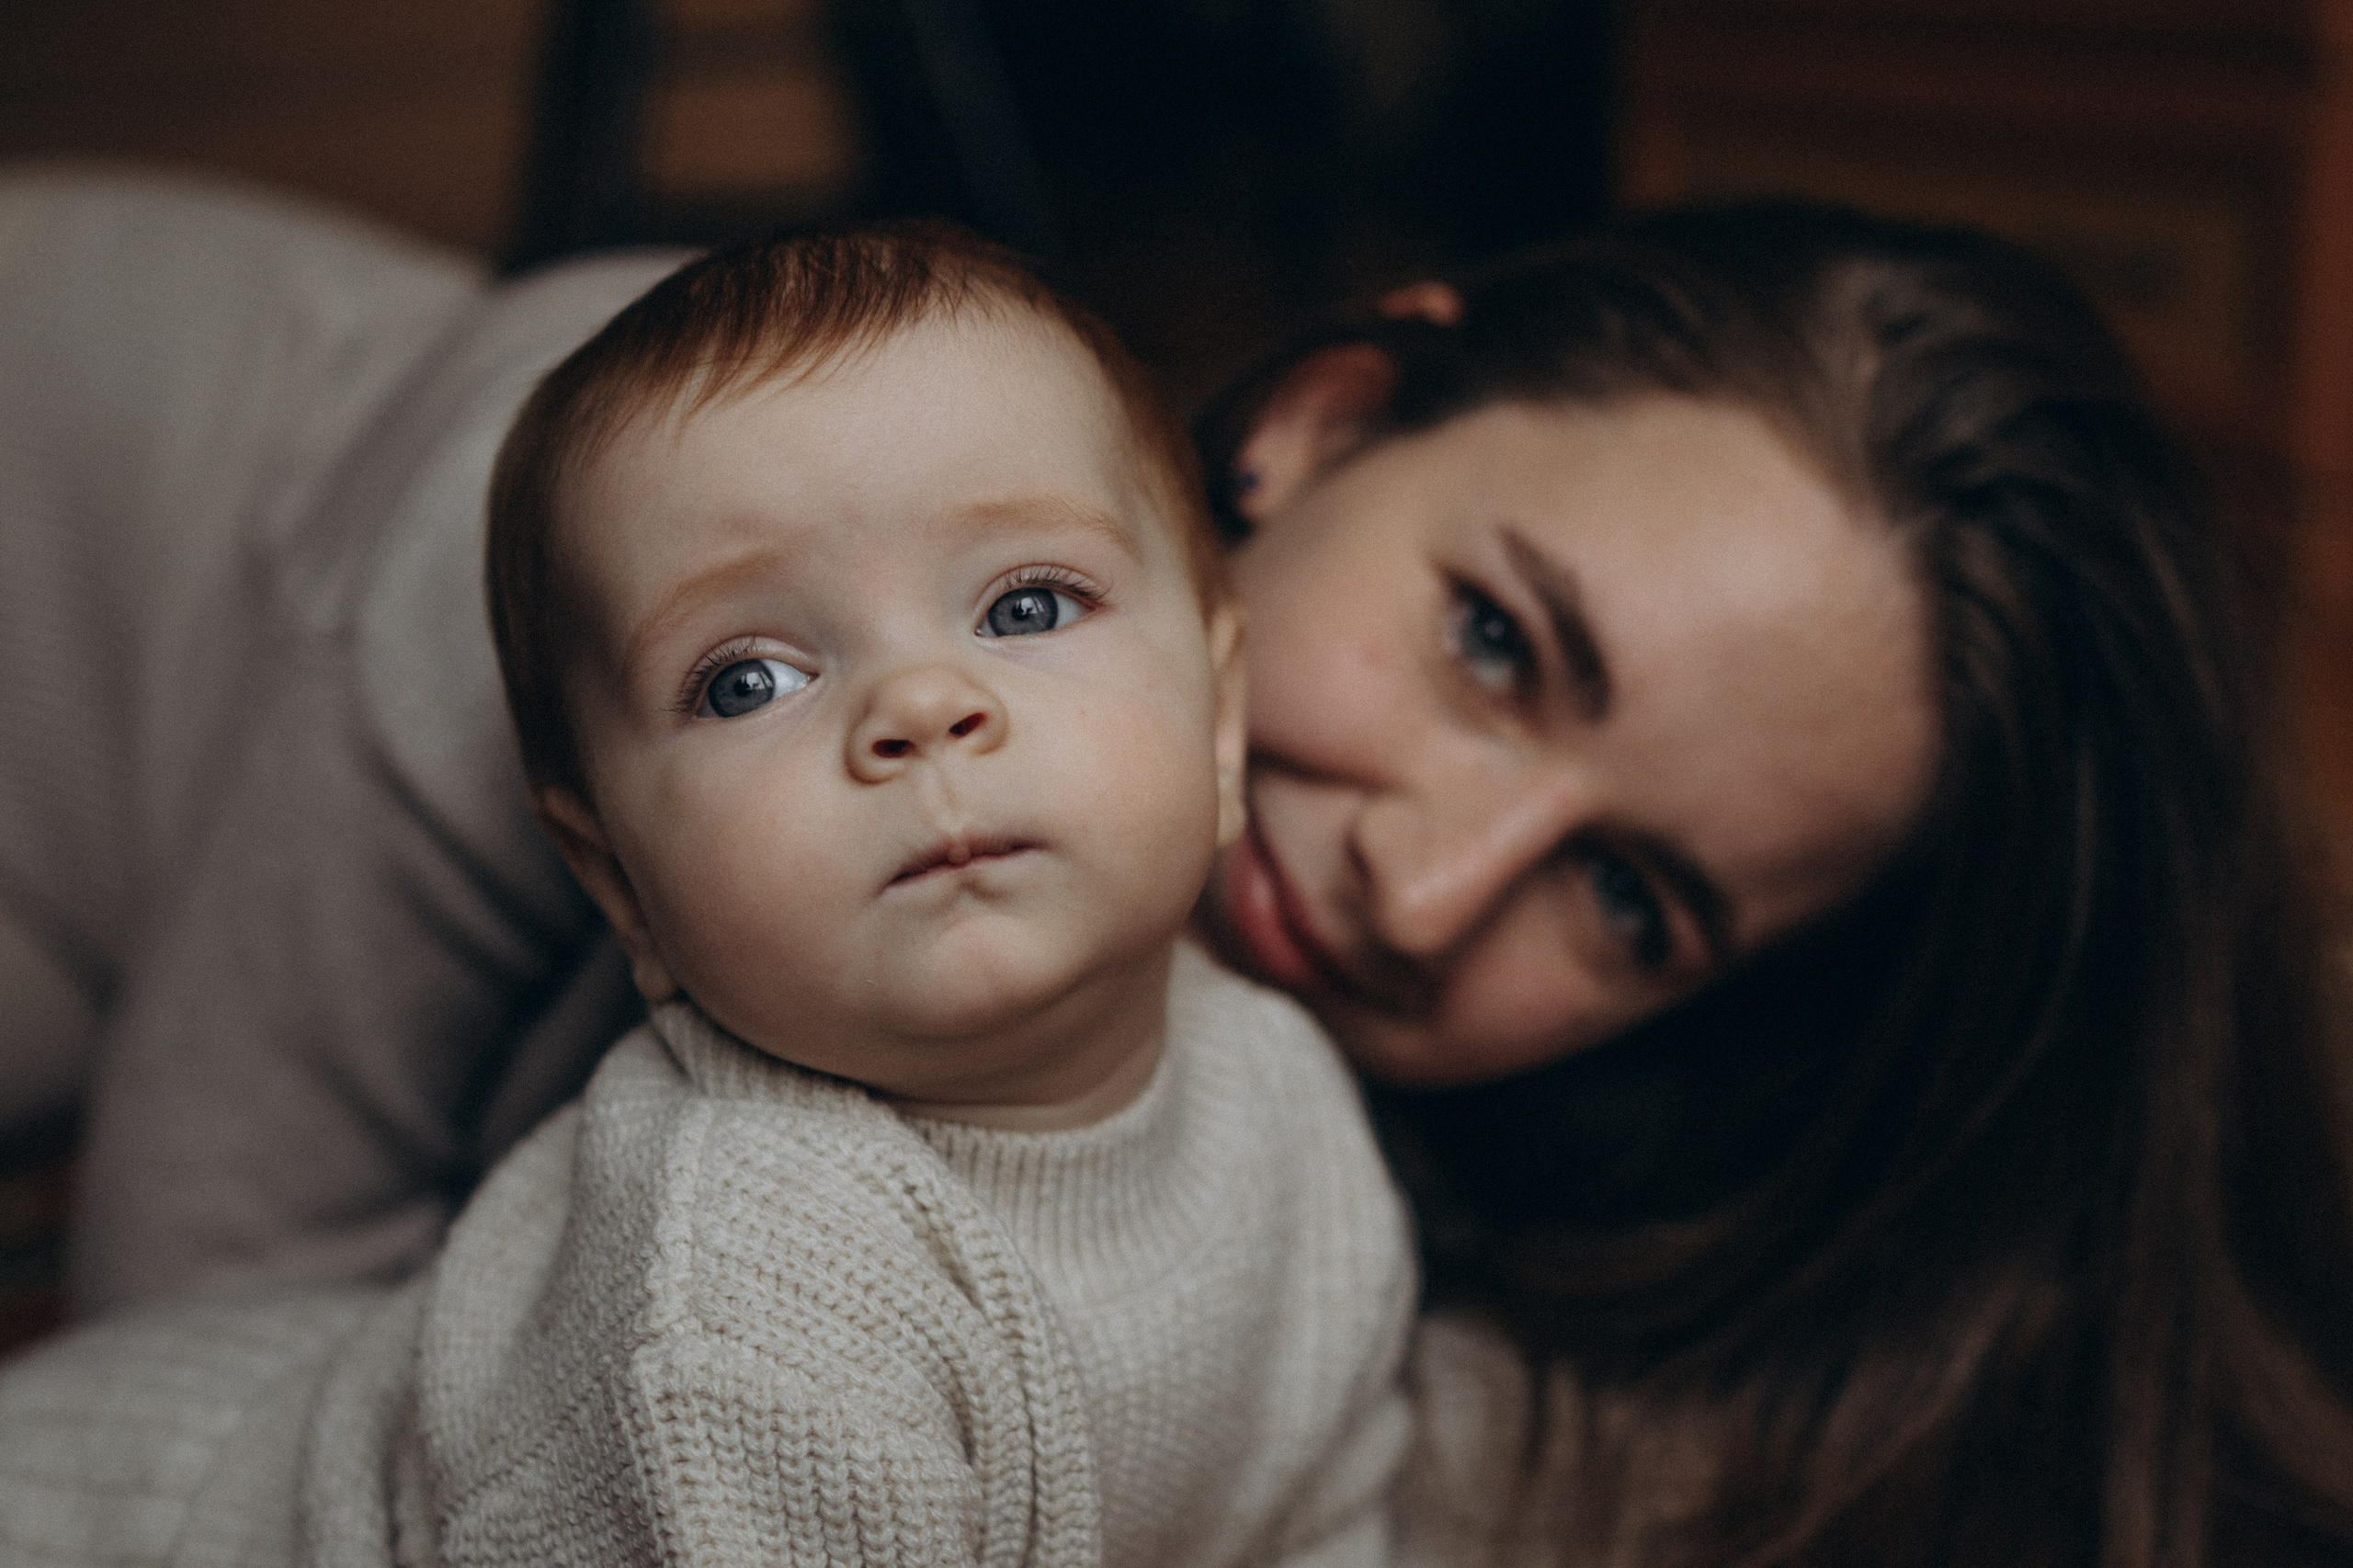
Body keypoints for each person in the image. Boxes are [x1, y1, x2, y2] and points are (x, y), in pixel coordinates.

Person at [2, 173, 2349, 1566]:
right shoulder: (589, 580)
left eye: (1631, 903)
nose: (1422, 889)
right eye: (1491, 641)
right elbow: (238, 1300)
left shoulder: (1254, 1092)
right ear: (1321, 425)